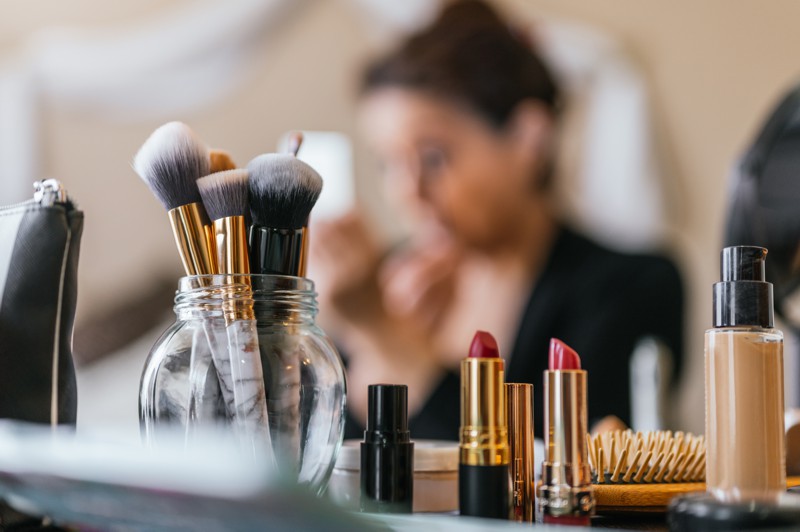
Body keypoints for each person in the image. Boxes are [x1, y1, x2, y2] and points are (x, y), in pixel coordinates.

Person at [311, 0, 683, 440]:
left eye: (432, 158)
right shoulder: (385, 283)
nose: (407, 191)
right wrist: (357, 336)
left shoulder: (631, 286)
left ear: (528, 138)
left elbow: (558, 474)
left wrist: (384, 336)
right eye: (387, 163)